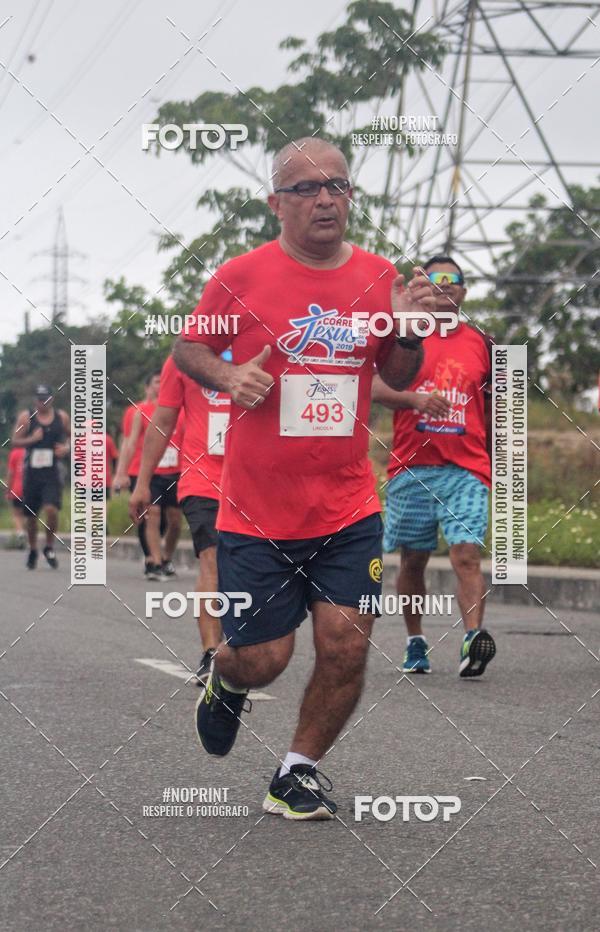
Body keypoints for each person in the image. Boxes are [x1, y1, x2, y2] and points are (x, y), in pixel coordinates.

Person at [173, 136, 434, 820]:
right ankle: (225, 686)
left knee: (346, 644)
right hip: (257, 512)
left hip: (347, 505)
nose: (326, 199)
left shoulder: (381, 278)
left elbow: (397, 379)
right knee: (262, 659)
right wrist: (229, 374)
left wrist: (407, 335)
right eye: (308, 189)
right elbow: (190, 347)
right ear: (276, 204)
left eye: (338, 187)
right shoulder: (241, 276)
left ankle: (296, 770)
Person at [372, 255, 496, 678]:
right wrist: (414, 400)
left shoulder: (483, 342)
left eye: (453, 279)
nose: (444, 285)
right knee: (413, 562)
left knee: (466, 554)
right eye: (434, 278)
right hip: (412, 466)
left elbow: (498, 407)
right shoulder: (403, 334)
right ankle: (415, 640)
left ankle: (472, 639)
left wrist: (498, 463)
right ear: (421, 286)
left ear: (463, 290)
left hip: (468, 467)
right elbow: (376, 388)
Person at [129, 351, 231, 684]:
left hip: (257, 479)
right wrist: (141, 482)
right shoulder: (184, 357)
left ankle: (242, 643)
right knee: (211, 558)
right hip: (204, 479)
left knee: (243, 564)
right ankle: (212, 653)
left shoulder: (263, 345)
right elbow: (163, 420)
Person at [113, 372, 171, 579]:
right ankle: (152, 558)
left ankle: (163, 556)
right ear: (147, 387)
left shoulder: (176, 409)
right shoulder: (135, 411)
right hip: (142, 469)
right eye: (156, 382)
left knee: (168, 519)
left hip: (171, 469)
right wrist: (121, 473)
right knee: (149, 514)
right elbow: (128, 441)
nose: (160, 386)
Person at [11, 384, 71, 569]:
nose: (41, 403)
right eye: (38, 399)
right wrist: (32, 439)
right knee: (31, 516)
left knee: (52, 510)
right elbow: (14, 440)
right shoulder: (26, 416)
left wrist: (67, 448)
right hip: (32, 473)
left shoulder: (61, 417)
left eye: (45, 399)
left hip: (52, 471)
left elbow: (76, 436)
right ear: (34, 400)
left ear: (51, 399)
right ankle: (33, 548)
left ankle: (50, 546)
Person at [5, 445, 26, 547]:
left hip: (17, 489)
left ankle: (20, 532)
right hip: (31, 489)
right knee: (27, 514)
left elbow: (10, 473)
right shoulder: (31, 450)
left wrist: (8, 490)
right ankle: (26, 533)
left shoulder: (14, 453)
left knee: (16, 514)